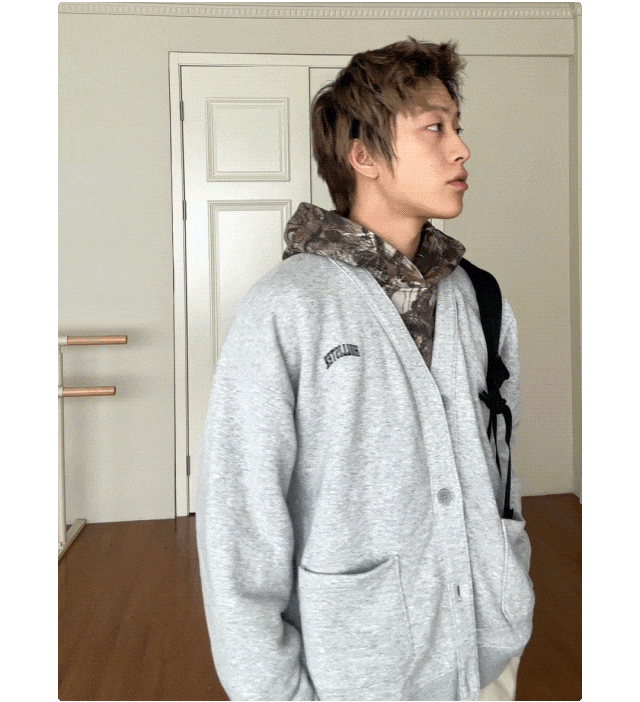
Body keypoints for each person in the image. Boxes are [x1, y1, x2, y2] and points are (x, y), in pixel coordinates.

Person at [196, 37, 535, 701]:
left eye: (458, 127)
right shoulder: (286, 310)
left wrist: (509, 579)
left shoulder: (482, 298)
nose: (461, 149)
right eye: (435, 127)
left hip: (489, 656)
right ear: (364, 156)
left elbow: (500, 462)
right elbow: (239, 523)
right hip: (356, 676)